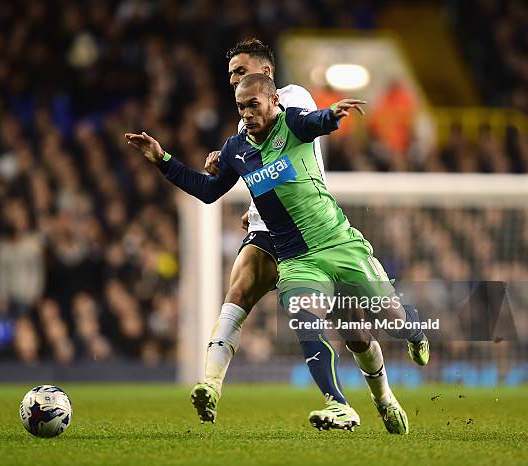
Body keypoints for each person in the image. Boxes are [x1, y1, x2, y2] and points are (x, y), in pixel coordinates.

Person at [126, 73, 429, 433]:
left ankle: (414, 331)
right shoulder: (236, 149)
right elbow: (207, 191)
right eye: (241, 107)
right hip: (297, 259)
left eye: (254, 104)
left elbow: (317, 122)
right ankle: (339, 404)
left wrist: (332, 115)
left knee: (389, 319)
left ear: (273, 101)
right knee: (306, 321)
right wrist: (162, 159)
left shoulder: (293, 122)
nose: (247, 113)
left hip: (338, 242)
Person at [202, 39, 422, 433]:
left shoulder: (291, 98)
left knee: (355, 328)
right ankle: (211, 384)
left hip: (317, 229)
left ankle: (385, 396)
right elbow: (254, 169)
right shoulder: (245, 121)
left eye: (240, 71)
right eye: (232, 74)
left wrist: (329, 116)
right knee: (250, 295)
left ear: (265, 74)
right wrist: (229, 166)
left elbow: (295, 133)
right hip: (269, 233)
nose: (233, 79)